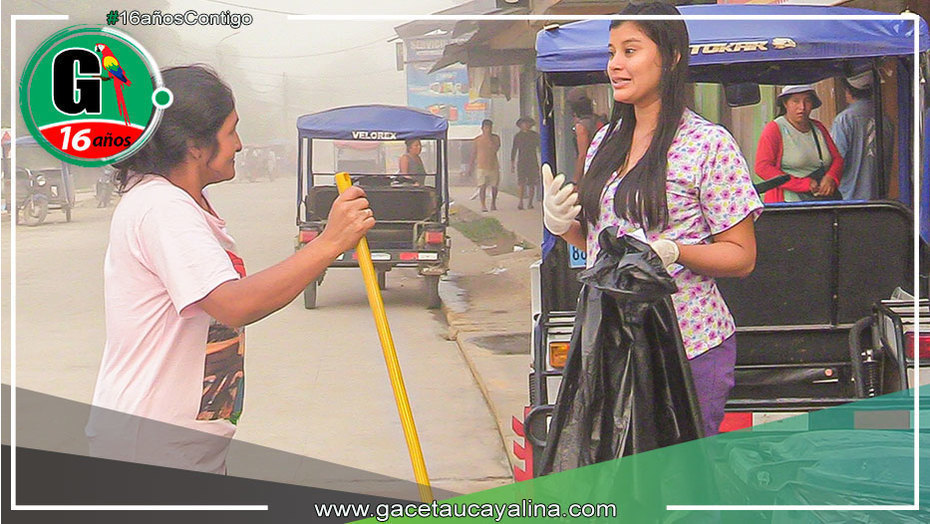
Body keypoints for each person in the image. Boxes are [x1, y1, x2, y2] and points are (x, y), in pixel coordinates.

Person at [85, 65, 375, 473]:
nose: (239, 145)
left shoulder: (181, 203)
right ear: (195, 145)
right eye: (231, 130)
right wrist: (329, 243)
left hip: (177, 445)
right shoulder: (161, 208)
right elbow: (232, 304)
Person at [542, 2, 763, 438]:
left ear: (672, 56)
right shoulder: (606, 139)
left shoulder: (707, 144)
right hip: (611, 340)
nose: (615, 65)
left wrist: (675, 251)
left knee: (679, 485)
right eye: (611, 53)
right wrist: (563, 223)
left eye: (630, 51)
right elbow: (603, 247)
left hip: (686, 345)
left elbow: (742, 256)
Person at [755, 85, 844, 202]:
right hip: (787, 204)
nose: (802, 107)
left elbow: (837, 159)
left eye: (807, 101)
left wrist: (831, 177)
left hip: (822, 202)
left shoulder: (818, 128)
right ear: (785, 104)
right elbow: (762, 167)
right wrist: (802, 184)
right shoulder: (774, 129)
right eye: (795, 101)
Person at [831, 71, 893, 200]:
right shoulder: (886, 120)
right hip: (880, 201)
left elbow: (836, 160)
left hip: (849, 199)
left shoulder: (844, 120)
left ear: (848, 91)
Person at [568, 89, 606, 183]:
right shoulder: (599, 120)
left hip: (591, 171)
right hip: (605, 165)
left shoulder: (581, 126)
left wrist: (576, 180)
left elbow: (582, 155)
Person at [468, 119, 501, 212]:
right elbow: (473, 153)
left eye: (490, 127)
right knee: (482, 186)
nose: (488, 129)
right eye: (486, 127)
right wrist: (470, 167)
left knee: (494, 186)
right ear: (482, 128)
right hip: (481, 166)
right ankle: (483, 205)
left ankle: (493, 203)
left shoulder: (496, 138)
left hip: (494, 166)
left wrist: (489, 140)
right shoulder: (477, 140)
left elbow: (496, 149)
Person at [511, 117, 540, 210]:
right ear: (520, 125)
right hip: (521, 161)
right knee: (521, 182)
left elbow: (540, 148)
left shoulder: (535, 135)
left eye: (527, 123)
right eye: (524, 123)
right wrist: (512, 163)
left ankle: (530, 202)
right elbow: (514, 150)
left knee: (532, 183)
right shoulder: (518, 136)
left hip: (532, 161)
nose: (526, 125)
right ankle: (520, 202)